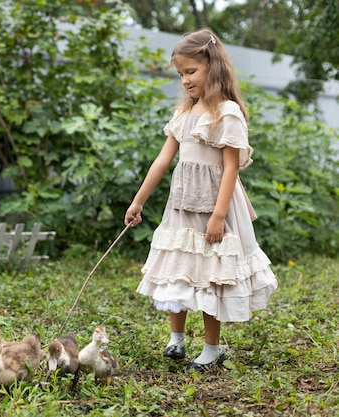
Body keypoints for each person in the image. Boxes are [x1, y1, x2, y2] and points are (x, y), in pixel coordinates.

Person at [124, 28, 278, 372]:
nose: (185, 80)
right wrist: (139, 201)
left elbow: (231, 167)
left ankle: (212, 348)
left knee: (210, 274)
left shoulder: (226, 113)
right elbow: (163, 160)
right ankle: (176, 339)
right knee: (179, 268)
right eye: (180, 74)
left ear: (213, 66)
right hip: (181, 204)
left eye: (191, 72)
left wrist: (219, 215)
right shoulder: (184, 114)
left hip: (213, 205)